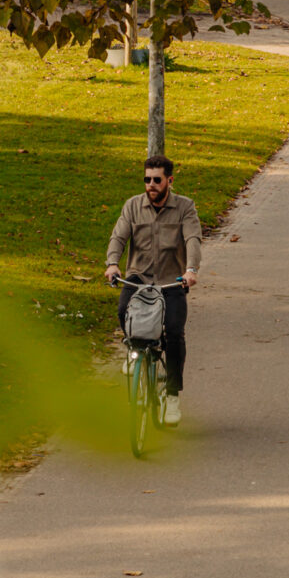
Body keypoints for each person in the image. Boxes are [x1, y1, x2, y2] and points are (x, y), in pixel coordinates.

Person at [104, 154, 200, 426]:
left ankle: (172, 396)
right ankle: (134, 353)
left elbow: (193, 239)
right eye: (147, 180)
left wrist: (191, 270)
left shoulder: (184, 207)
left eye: (157, 180)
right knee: (123, 311)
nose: (151, 185)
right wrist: (112, 264)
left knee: (174, 333)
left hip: (172, 280)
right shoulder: (133, 206)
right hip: (139, 278)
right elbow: (119, 236)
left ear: (169, 180)